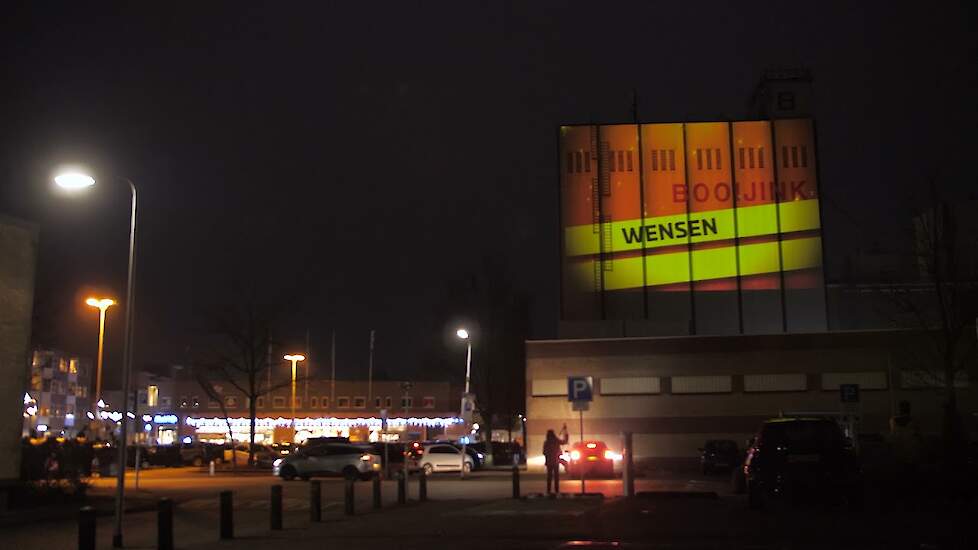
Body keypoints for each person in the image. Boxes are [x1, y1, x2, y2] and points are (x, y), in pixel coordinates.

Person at [543, 426, 569, 495]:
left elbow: (544, 452)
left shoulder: (546, 442)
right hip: (555, 461)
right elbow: (564, 441)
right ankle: (556, 490)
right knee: (556, 477)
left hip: (549, 461)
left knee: (549, 477)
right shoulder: (556, 441)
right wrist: (566, 432)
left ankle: (548, 490)